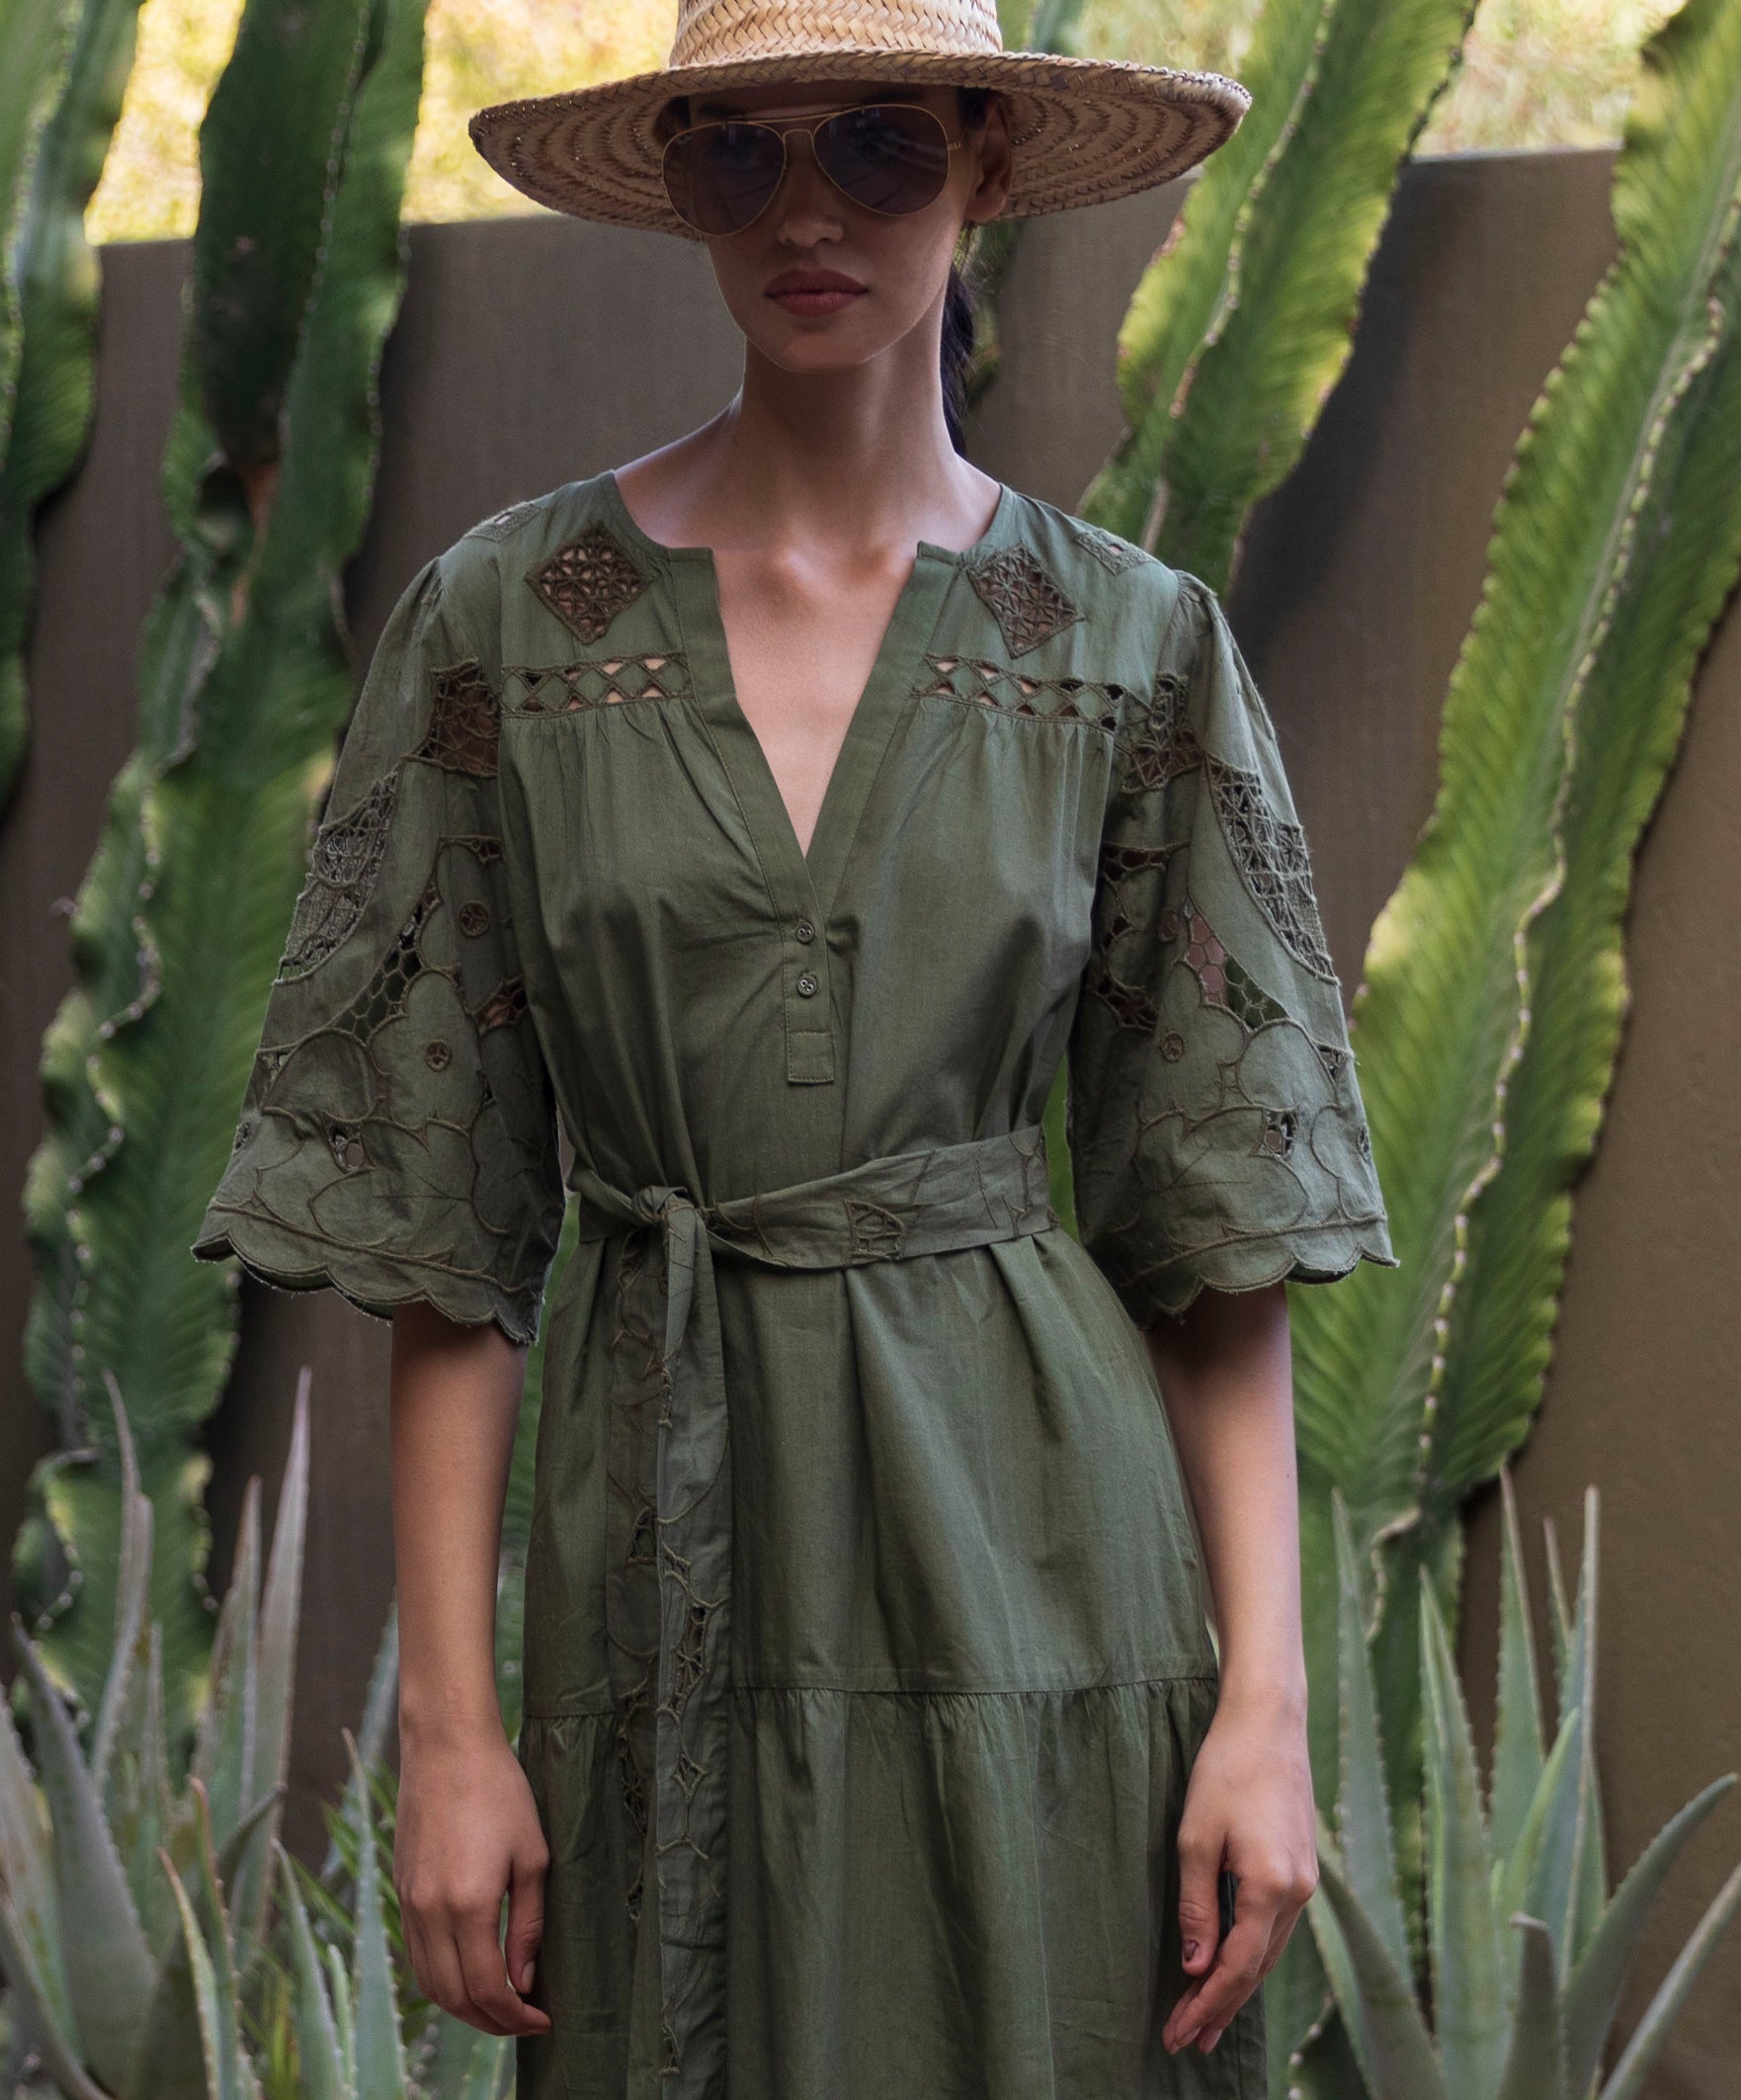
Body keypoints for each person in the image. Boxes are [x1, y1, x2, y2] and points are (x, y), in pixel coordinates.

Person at [194, 2, 1397, 2093]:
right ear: (678, 182)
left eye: (879, 145)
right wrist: (453, 1735)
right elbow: (446, 1238)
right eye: (741, 152)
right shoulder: (508, 624)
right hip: (652, 1552)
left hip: (1037, 1564)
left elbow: (1216, 1241)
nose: (807, 210)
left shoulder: (1134, 648)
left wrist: (1262, 1713)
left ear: (987, 166)